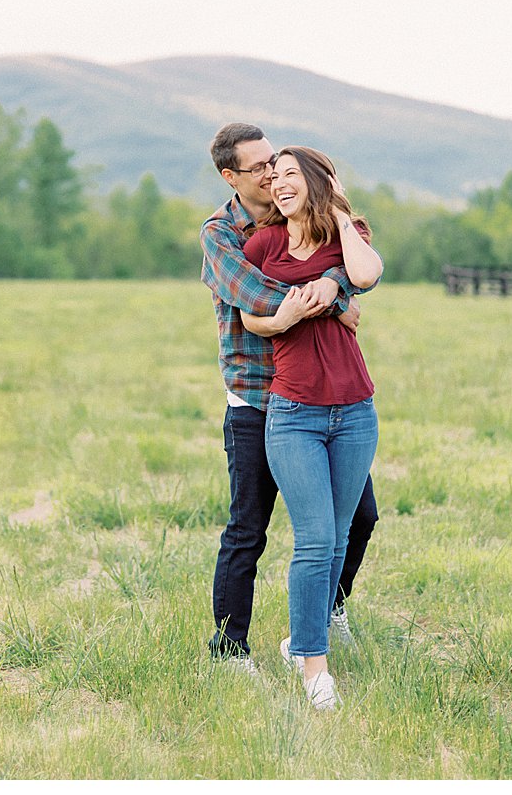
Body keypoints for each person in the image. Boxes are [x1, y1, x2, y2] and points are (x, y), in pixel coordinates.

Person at [200, 123, 380, 677]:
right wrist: (331, 292)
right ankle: (229, 650)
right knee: (248, 528)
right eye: (257, 168)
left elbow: (350, 262)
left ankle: (325, 614)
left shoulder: (297, 220)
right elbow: (253, 296)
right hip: (257, 398)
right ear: (231, 177)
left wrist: (338, 279)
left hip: (323, 399)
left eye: (274, 165)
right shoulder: (223, 235)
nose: (269, 173)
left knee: (359, 519)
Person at [240, 146, 383, 710]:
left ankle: (301, 641)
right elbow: (245, 313)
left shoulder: (344, 237)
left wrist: (341, 227)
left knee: (341, 535)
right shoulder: (264, 243)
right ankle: (313, 668)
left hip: (354, 410)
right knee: (317, 539)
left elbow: (367, 275)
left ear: (319, 181)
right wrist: (286, 317)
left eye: (290, 175)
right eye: (273, 178)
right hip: (294, 411)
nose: (277, 184)